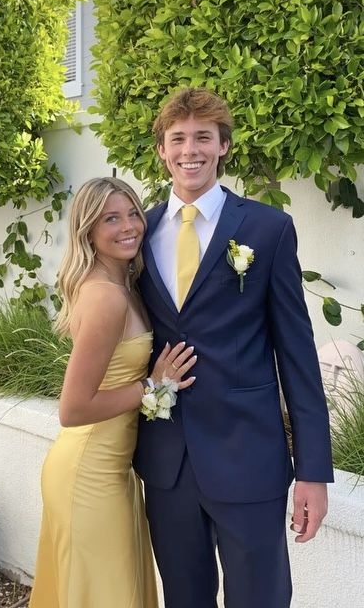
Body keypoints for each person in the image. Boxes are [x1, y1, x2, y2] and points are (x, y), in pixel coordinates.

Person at [134, 87, 334, 608]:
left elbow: (297, 354)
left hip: (249, 458)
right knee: (184, 598)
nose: (190, 150)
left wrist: (312, 469)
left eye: (204, 137)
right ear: (162, 149)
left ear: (223, 145)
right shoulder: (139, 231)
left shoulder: (267, 229)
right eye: (177, 139)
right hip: (167, 463)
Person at [28, 177, 196, 608]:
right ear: (88, 230)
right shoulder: (106, 297)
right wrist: (152, 385)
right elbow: (73, 407)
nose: (129, 226)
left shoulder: (125, 285)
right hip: (89, 474)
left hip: (115, 470)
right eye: (111, 218)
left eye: (133, 214)